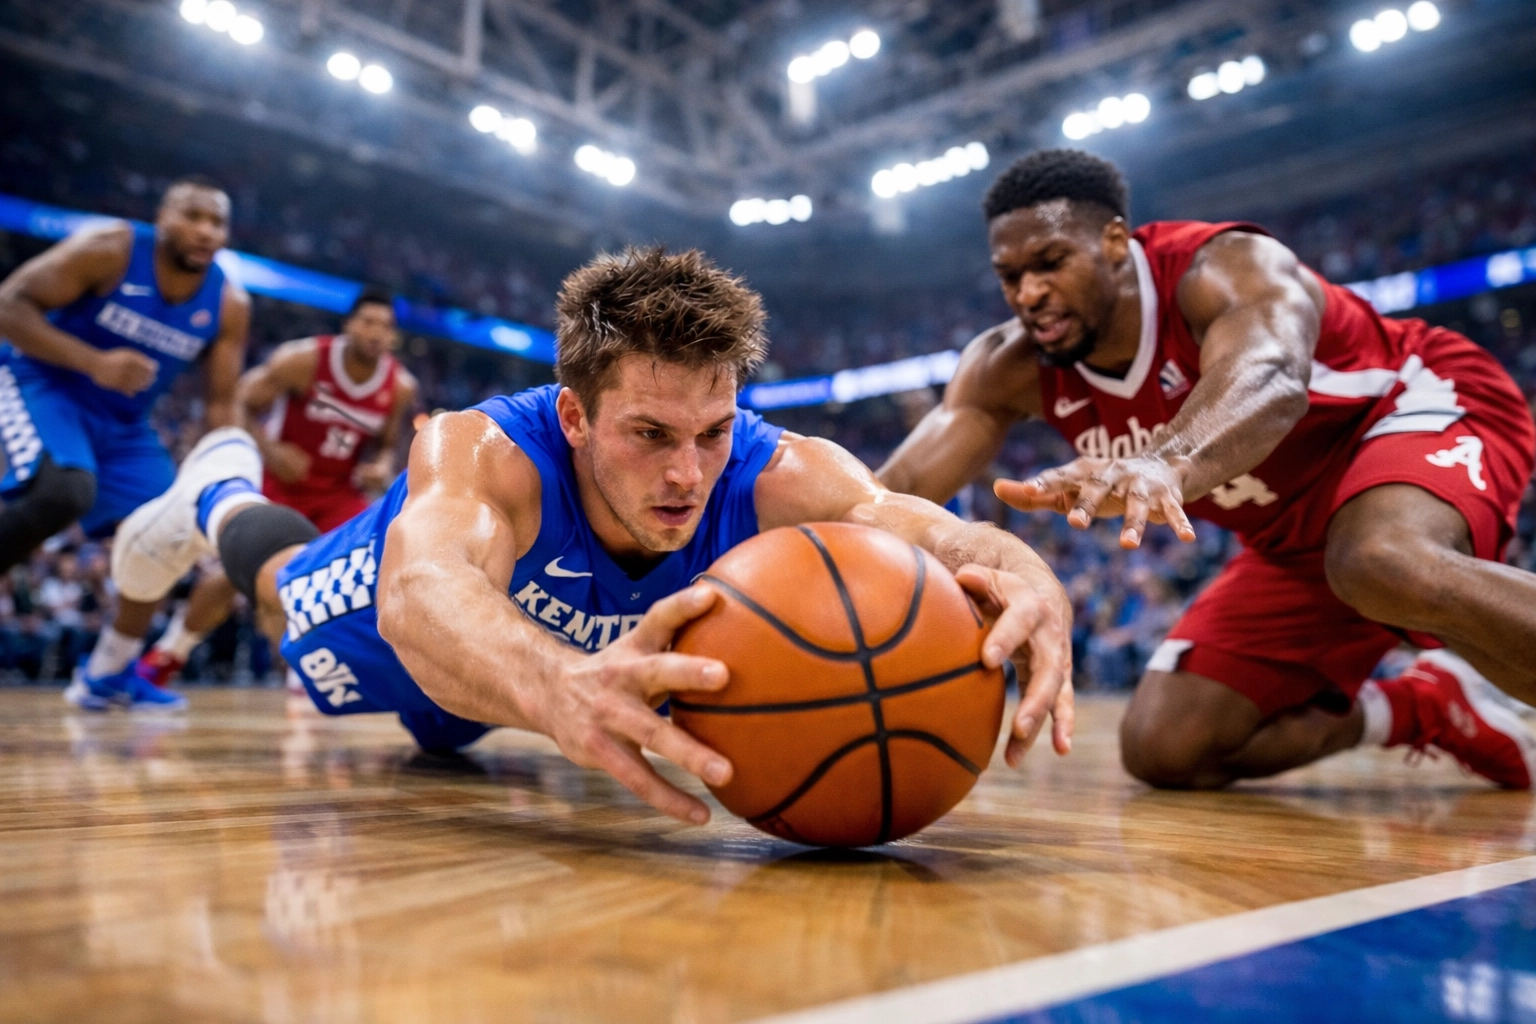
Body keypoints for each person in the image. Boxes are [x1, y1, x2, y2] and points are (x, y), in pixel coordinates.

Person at [108, 246, 1073, 823]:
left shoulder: (782, 471)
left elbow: (923, 528)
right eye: (649, 434)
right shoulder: (482, 449)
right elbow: (420, 595)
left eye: (713, 432)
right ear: (574, 417)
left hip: (539, 672)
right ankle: (219, 492)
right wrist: (557, 686)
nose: (689, 473)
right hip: (434, 631)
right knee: (278, 587)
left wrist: (1025, 576)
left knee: (447, 744)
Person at [879, 149, 1536, 790]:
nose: (1030, 293)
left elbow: (1272, 380)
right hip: (1295, 538)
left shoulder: (1220, 267)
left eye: (1051, 263)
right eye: (1010, 276)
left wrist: (1163, 460)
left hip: (1420, 403)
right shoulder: (1007, 365)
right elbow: (889, 496)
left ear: (1113, 241)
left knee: (1381, 556)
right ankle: (1425, 708)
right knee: (1166, 744)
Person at [0, 176, 249, 710]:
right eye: (192, 216)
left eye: (217, 222)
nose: (205, 230)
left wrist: (215, 466)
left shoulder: (229, 303)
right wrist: (94, 362)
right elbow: (9, 305)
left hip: (124, 423)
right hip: (39, 383)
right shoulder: (109, 250)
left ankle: (107, 673)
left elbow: (221, 405)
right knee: (63, 490)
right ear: (162, 218)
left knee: (169, 532)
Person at [99, 287, 418, 693]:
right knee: (233, 575)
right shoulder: (301, 360)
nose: (376, 333)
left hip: (335, 493)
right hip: (279, 484)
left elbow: (386, 444)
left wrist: (381, 465)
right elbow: (239, 401)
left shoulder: (400, 386)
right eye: (368, 322)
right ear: (349, 325)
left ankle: (326, 667)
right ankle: (169, 653)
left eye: (386, 327)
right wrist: (272, 450)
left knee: (373, 561)